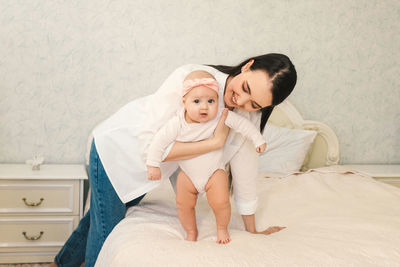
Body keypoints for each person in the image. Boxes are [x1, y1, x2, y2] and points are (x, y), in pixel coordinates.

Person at [50, 53, 297, 267]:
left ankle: (61, 263)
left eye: (254, 104)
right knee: (107, 232)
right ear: (247, 66)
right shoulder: (194, 80)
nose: (242, 102)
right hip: (118, 150)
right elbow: (150, 148)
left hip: (149, 171)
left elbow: (245, 173)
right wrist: (213, 143)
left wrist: (252, 231)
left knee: (99, 216)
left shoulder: (246, 117)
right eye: (245, 89)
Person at [146, 71, 266, 244]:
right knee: (183, 205)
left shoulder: (221, 116)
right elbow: (159, 142)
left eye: (211, 101)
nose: (204, 107)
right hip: (188, 175)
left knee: (221, 203)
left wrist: (258, 139)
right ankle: (191, 231)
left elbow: (243, 125)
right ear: (184, 102)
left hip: (213, 173)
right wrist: (153, 165)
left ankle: (222, 228)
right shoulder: (177, 123)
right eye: (196, 101)